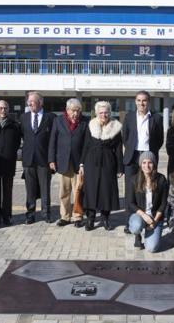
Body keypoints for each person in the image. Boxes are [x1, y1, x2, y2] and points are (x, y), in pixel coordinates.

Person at [122, 90, 164, 233]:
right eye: (139, 100)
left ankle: (150, 217)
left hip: (148, 156)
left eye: (144, 100)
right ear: (135, 102)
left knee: (150, 187)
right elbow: (125, 137)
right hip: (132, 156)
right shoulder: (128, 117)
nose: (142, 103)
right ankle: (130, 222)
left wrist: (150, 153)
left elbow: (159, 140)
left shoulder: (157, 118)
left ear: (149, 102)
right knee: (130, 190)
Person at [80, 101, 124, 231]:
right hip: (90, 162)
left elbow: (118, 149)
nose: (103, 115)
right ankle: (91, 219)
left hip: (108, 162)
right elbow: (86, 145)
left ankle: (105, 218)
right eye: (101, 112)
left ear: (110, 113)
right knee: (91, 191)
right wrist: (82, 163)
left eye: (106, 112)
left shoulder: (115, 127)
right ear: (97, 113)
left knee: (106, 191)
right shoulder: (91, 125)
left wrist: (119, 168)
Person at [49, 98, 89, 228]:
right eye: (73, 110)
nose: (76, 113)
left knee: (78, 191)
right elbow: (52, 141)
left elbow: (86, 144)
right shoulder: (58, 120)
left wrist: (84, 162)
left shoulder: (85, 122)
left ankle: (77, 216)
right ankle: (65, 216)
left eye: (78, 111)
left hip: (79, 163)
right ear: (67, 110)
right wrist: (51, 159)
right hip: (63, 161)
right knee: (64, 191)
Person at [20, 91, 56, 224]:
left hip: (44, 160)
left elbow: (53, 139)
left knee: (45, 188)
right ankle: (30, 214)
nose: (29, 104)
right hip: (28, 160)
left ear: (40, 102)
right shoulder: (24, 117)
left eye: (32, 102)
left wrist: (52, 159)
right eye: (28, 102)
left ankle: (46, 213)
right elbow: (24, 136)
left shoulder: (50, 118)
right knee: (30, 189)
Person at [127, 151, 168, 253]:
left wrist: (154, 221)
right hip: (140, 215)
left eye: (150, 162)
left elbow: (163, 204)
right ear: (140, 164)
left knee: (152, 248)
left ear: (154, 164)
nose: (147, 165)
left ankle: (149, 234)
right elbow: (130, 203)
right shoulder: (133, 179)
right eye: (144, 162)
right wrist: (144, 216)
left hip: (155, 217)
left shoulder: (161, 179)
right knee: (136, 225)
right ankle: (138, 234)